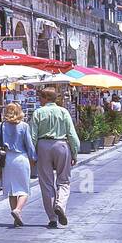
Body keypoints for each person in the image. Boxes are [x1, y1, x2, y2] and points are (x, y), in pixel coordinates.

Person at [28, 86, 80, 228]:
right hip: (61, 145)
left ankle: (52, 218)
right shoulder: (64, 112)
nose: (39, 100)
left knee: (46, 183)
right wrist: (75, 152)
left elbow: (32, 136)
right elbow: (72, 134)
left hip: (43, 146)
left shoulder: (38, 113)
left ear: (45, 98)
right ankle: (60, 205)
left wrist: (32, 156)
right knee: (64, 180)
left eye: (41, 97)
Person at [0, 102, 35, 228]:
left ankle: (15, 218)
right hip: (21, 157)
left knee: (12, 190)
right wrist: (34, 158)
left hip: (6, 158)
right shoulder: (24, 126)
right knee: (24, 189)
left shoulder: (0, 126)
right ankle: (18, 210)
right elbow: (29, 144)